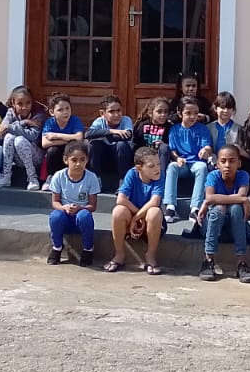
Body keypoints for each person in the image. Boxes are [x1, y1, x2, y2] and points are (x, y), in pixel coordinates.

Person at [197, 144, 250, 283]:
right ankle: (208, 260)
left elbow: (241, 194)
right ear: (217, 164)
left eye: (232, 161)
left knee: (235, 208)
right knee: (219, 208)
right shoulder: (213, 176)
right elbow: (210, 197)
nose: (227, 165)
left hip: (235, 227)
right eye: (223, 161)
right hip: (212, 227)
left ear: (239, 163)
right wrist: (242, 199)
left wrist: (213, 200)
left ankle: (241, 262)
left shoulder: (243, 175)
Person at [106, 146, 166, 275]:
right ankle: (119, 255)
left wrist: (136, 218)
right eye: (151, 166)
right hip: (133, 220)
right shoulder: (132, 174)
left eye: (158, 164)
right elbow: (120, 199)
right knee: (118, 211)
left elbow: (154, 202)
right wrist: (135, 217)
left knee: (154, 212)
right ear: (139, 168)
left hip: (150, 221)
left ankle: (151, 257)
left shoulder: (160, 176)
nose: (157, 168)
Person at [45, 140, 99, 267]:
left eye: (82, 159)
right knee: (55, 216)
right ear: (66, 160)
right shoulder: (59, 176)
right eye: (74, 160)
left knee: (85, 215)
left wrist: (80, 208)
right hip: (65, 216)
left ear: (87, 160)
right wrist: (64, 207)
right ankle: (57, 247)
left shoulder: (91, 178)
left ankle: (88, 249)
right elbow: (55, 202)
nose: (78, 164)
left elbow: (93, 206)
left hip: (80, 218)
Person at [163, 96, 214, 217]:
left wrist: (205, 150)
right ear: (180, 114)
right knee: (172, 167)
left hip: (196, 163)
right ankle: (170, 205)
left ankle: (195, 207)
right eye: (188, 113)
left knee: (202, 167)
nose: (192, 116)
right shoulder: (174, 130)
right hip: (183, 163)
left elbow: (207, 146)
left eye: (195, 113)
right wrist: (177, 158)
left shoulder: (202, 129)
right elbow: (173, 150)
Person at [0, 85, 45, 191]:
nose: (24, 107)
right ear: (13, 104)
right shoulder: (10, 112)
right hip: (17, 157)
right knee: (9, 137)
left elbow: (33, 136)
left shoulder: (38, 114)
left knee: (19, 140)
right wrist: (24, 122)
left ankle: (32, 178)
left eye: (28, 103)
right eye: (20, 104)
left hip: (35, 156)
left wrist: (10, 127)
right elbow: (1, 131)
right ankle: (6, 175)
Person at [85, 94, 136, 186]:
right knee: (93, 144)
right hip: (104, 159)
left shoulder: (126, 120)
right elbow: (88, 134)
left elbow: (127, 135)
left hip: (121, 159)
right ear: (102, 113)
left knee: (121, 144)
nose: (116, 114)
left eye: (119, 110)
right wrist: (111, 131)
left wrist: (103, 135)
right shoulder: (99, 121)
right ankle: (96, 180)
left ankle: (123, 181)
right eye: (111, 111)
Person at [40, 93, 86, 176]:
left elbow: (79, 138)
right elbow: (45, 143)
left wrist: (57, 135)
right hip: (57, 153)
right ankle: (51, 177)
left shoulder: (74, 120)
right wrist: (69, 140)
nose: (65, 112)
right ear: (51, 112)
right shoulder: (50, 122)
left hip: (71, 151)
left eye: (67, 108)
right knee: (52, 151)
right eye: (60, 110)